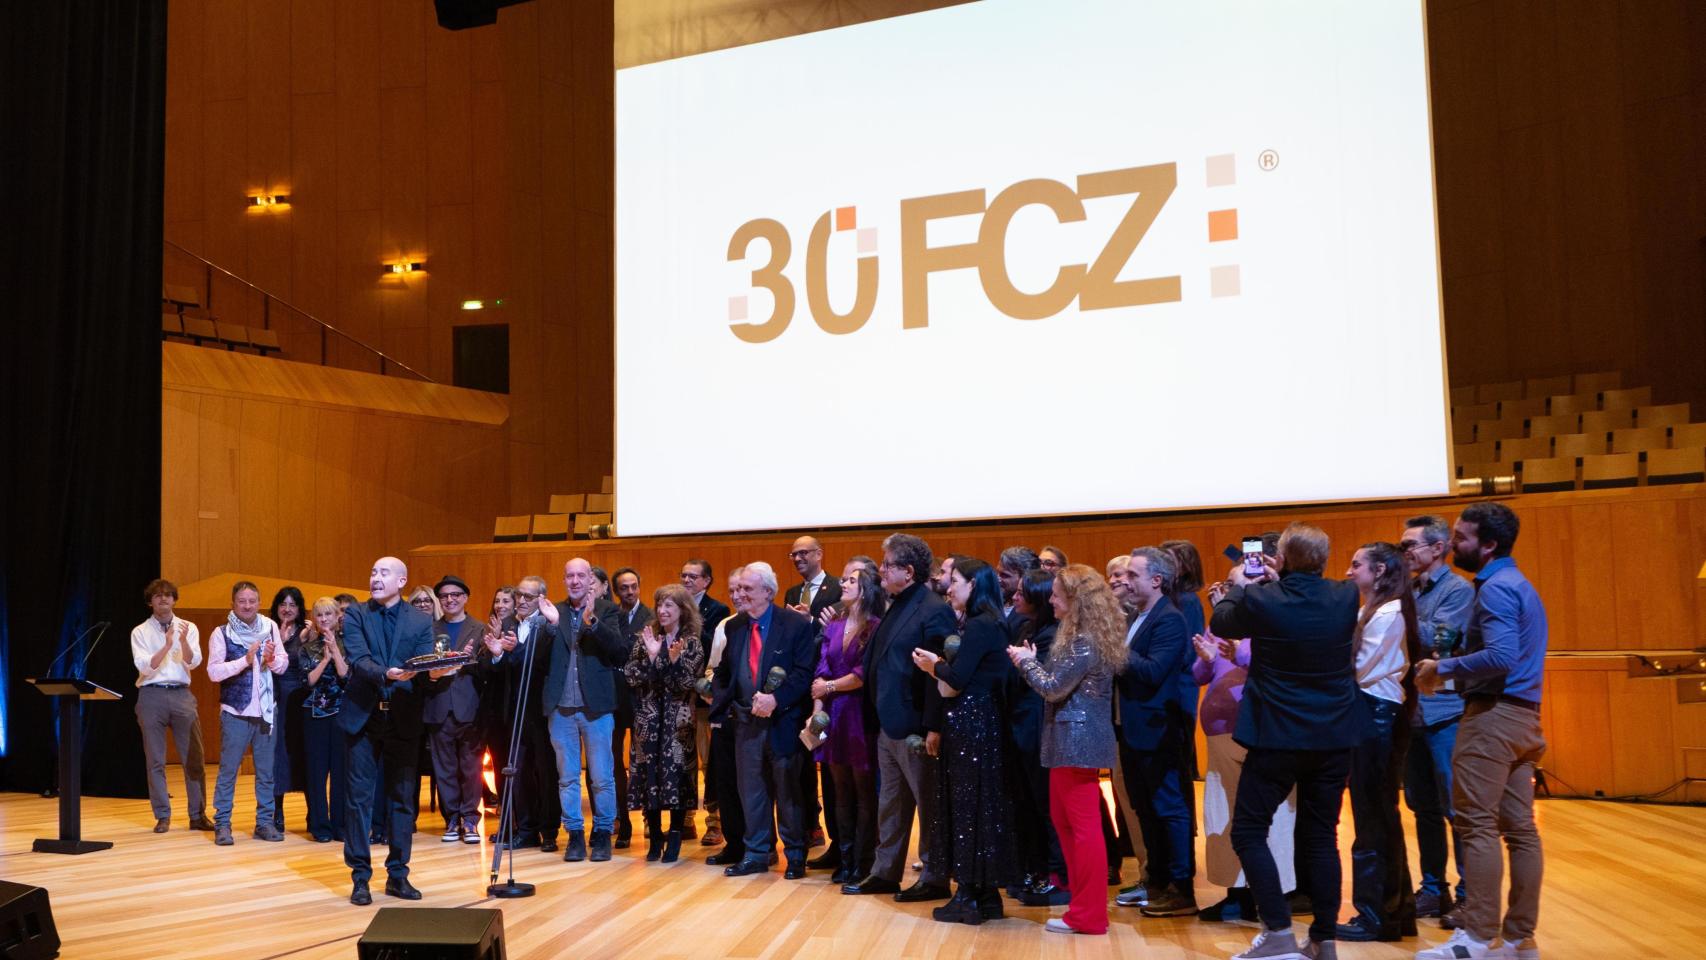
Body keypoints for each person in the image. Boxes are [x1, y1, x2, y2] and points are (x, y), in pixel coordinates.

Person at [1211, 522, 1365, 960]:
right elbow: (1300, 608)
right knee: (1321, 837)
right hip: (1333, 735)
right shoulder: (1344, 596)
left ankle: (1278, 930)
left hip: (1277, 735)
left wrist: (1240, 585)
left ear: (1281, 558)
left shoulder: (1261, 597)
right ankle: (1323, 939)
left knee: (1247, 831)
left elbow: (1222, 621)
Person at [1414, 502, 1548, 960]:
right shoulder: (1520, 584)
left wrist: (1441, 668)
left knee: (1475, 825)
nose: (1453, 543)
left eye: (1461, 537)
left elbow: (1502, 655)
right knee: (1521, 831)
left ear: (1488, 545)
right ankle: (1517, 939)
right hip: (1526, 717)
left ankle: (1474, 939)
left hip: (1492, 718)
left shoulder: (1492, 589)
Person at [1008, 563, 1123, 935]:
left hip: (1078, 740)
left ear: (1075, 600)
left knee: (1082, 828)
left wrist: (1026, 662)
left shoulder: (1083, 640)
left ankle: (1090, 915)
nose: (1051, 600)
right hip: (1066, 740)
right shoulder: (1078, 636)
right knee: (1066, 824)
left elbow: (1053, 687)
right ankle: (1080, 910)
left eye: (1057, 594)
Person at [842, 533, 955, 901]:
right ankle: (885, 871)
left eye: (887, 565)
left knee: (929, 803)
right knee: (891, 803)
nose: (881, 571)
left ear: (908, 571)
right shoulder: (898, 603)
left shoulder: (933, 607)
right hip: (888, 725)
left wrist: (933, 726)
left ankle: (935, 875)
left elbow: (936, 672)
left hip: (916, 727)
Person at [911, 557, 1018, 924]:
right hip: (981, 722)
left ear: (974, 585)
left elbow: (956, 679)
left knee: (967, 808)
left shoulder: (981, 625)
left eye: (954, 579)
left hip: (971, 723)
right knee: (978, 805)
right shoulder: (991, 623)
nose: (948, 585)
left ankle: (969, 895)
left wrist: (933, 664)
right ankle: (985, 895)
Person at [341, 556, 440, 905]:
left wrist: (436, 672)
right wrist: (387, 674)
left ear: (402, 581)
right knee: (358, 800)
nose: (375, 577)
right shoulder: (355, 614)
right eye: (372, 571)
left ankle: (398, 874)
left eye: (383, 572)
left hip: (403, 717)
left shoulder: (420, 618)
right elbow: (357, 658)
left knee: (401, 799)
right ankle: (360, 878)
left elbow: (425, 661)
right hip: (364, 718)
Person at [709, 561, 817, 878]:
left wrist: (776, 699)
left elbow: (803, 673)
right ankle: (757, 853)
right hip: (745, 724)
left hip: (783, 723)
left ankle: (795, 856)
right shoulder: (734, 626)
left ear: (768, 592)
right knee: (751, 792)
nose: (739, 594)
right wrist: (719, 697)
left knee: (787, 792)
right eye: (738, 588)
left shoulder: (795, 624)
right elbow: (724, 672)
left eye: (747, 589)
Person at [1338, 542, 1422, 942]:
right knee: (1380, 817)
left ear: (1382, 569)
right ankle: (1396, 911)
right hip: (1374, 714)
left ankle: (1376, 914)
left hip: (1377, 714)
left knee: (1373, 817)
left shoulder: (1388, 614)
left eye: (1357, 565)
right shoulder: (1374, 610)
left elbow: (1359, 666)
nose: (1350, 571)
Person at [1191, 625, 1295, 924]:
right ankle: (1236, 897)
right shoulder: (1222, 625)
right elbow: (1198, 675)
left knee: (1271, 819)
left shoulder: (1278, 617)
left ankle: (1270, 899)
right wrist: (1208, 659)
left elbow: (1276, 662)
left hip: (1267, 733)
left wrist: (1240, 652)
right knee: (1224, 815)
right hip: (1222, 734)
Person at [1399, 515, 1474, 923]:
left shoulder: (1457, 590)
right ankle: (1433, 889)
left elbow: (1440, 640)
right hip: (1411, 711)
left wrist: (1395, 615)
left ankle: (1468, 894)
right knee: (1422, 807)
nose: (1405, 552)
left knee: (1455, 808)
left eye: (1411, 545)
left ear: (1438, 547)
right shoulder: (1406, 589)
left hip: (1446, 714)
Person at [1115, 547, 1197, 917]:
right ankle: (1158, 880)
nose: (1125, 581)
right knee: (1145, 809)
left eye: (1133, 575)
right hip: (1133, 730)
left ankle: (1181, 888)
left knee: (1169, 809)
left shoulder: (1169, 619)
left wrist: (1117, 648)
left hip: (1158, 730)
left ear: (1156, 580)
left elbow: (1153, 672)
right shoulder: (1138, 616)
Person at [538, 557, 629, 863]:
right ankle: (574, 835)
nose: (575, 581)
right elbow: (539, 657)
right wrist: (550, 627)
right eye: (569, 576)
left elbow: (619, 651)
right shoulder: (555, 612)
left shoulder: (606, 610)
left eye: (581, 576)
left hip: (597, 707)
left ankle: (602, 833)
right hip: (560, 707)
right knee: (567, 777)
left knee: (602, 776)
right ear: (564, 580)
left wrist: (593, 623)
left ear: (591, 579)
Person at [807, 558, 883, 884]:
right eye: (844, 579)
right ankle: (846, 857)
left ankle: (864, 862)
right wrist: (816, 710)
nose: (845, 583)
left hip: (859, 713)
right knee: (839, 791)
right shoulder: (834, 626)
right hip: (833, 715)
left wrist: (830, 687)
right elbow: (821, 670)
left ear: (865, 589)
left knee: (864, 791)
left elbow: (863, 674)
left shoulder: (875, 626)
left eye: (852, 580)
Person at [624, 582, 704, 863]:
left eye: (669, 605)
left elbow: (684, 682)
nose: (662, 610)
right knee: (650, 776)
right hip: (648, 719)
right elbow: (631, 675)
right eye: (659, 604)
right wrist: (654, 658)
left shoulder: (691, 642)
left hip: (677, 722)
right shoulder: (645, 637)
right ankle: (654, 836)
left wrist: (666, 660)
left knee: (677, 777)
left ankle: (675, 837)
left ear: (683, 610)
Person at [206, 580, 290, 846]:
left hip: (266, 711)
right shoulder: (222, 632)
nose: (247, 605)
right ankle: (222, 824)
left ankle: (264, 823)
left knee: (266, 772)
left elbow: (283, 665)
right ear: (233, 603)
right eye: (242, 601)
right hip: (236, 712)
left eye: (252, 601)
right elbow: (213, 672)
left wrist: (271, 659)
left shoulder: (270, 627)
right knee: (228, 770)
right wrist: (245, 660)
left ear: (259, 602)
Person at [130, 578, 213, 833]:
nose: (163, 599)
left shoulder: (188, 627)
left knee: (194, 758)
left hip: (181, 694)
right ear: (150, 602)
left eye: (168, 595)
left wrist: (183, 641)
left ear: (175, 599)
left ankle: (197, 815)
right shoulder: (140, 631)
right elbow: (145, 667)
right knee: (155, 759)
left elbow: (194, 662)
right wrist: (167, 644)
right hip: (151, 695)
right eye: (157, 596)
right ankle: (162, 815)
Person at [1006, 568, 1068, 905]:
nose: (1014, 597)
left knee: (1045, 805)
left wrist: (1021, 664)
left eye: (1021, 593)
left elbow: (1042, 683)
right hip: (1022, 723)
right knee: (1028, 803)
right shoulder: (1030, 628)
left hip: (1036, 726)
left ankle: (1056, 875)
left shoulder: (1051, 635)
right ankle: (1036, 869)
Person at [784, 535, 842, 865]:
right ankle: (811, 824)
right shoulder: (792, 593)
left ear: (819, 554)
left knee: (831, 767)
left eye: (803, 553)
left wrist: (809, 623)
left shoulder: (836, 589)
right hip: (802, 688)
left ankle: (839, 839)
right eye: (793, 554)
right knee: (803, 760)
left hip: (830, 687)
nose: (797, 558)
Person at [424, 575, 487, 844]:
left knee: (472, 768)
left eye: (456, 595)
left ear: (465, 597)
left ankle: (470, 819)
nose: (450, 600)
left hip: (470, 708)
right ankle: (451, 819)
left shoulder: (480, 628)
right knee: (444, 768)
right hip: (438, 706)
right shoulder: (428, 629)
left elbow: (487, 669)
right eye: (445, 596)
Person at [702, 567, 750, 866]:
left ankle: (761, 844)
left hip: (753, 715)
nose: (736, 596)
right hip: (724, 716)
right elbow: (712, 669)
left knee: (753, 786)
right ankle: (734, 844)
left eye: (741, 589)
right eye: (732, 590)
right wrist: (711, 689)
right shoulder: (724, 626)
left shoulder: (771, 624)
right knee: (727, 784)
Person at [683, 558, 729, 842]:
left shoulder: (718, 610)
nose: (686, 581)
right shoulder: (673, 605)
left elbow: (712, 646)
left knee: (707, 761)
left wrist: (692, 621)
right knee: (683, 759)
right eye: (683, 575)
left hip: (703, 698)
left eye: (692, 576)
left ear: (706, 580)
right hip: (679, 698)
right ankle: (686, 817)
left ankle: (715, 819)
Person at [300, 596, 350, 843]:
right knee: (317, 773)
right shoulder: (307, 648)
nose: (324, 619)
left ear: (337, 617)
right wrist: (326, 659)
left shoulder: (348, 643)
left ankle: (340, 825)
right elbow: (307, 681)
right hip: (315, 716)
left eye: (328, 614)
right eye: (319, 615)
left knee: (340, 773)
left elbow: (346, 676)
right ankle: (320, 826)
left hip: (341, 715)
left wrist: (336, 653)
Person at [610, 567, 653, 849]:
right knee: (613, 763)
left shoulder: (650, 617)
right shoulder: (610, 615)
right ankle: (620, 819)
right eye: (623, 587)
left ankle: (652, 819)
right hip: (613, 697)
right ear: (616, 591)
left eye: (633, 586)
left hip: (641, 697)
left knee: (645, 761)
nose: (629, 591)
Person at [267, 586, 310, 834]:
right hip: (275, 697)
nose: (287, 609)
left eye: (293, 604)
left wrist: (305, 639)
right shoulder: (268, 630)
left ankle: (312, 811)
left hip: (301, 697)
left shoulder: (308, 631)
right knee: (278, 755)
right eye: (283, 604)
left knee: (303, 753)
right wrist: (280, 642)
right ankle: (277, 812)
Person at [997, 545, 1041, 629]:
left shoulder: (1029, 612)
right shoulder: (996, 600)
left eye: (1005, 575)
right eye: (998, 573)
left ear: (1025, 577)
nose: (998, 579)